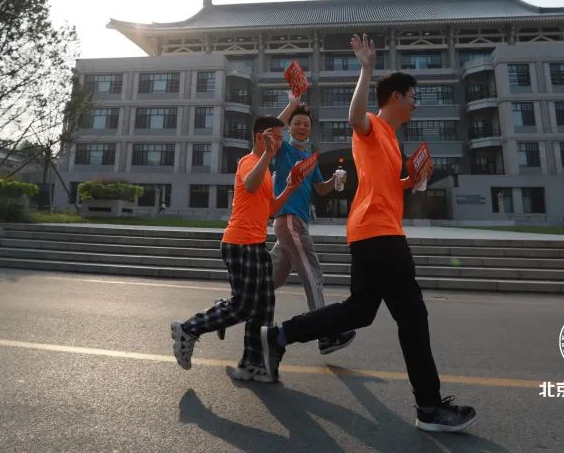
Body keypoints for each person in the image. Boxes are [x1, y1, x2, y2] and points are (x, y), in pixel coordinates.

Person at [259, 34, 479, 433]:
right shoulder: (372, 126)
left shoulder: (392, 141)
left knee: (359, 311)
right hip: (380, 235)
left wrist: (413, 180)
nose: (415, 104)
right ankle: (429, 408)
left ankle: (279, 336)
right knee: (412, 316)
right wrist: (366, 69)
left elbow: (390, 185)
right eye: (412, 97)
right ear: (394, 97)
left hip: (371, 233)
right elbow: (354, 116)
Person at [170, 116, 301, 382]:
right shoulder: (248, 162)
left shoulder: (266, 168)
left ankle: (251, 363)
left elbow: (271, 209)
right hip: (240, 243)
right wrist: (267, 154)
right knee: (243, 306)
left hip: (257, 244)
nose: (279, 143)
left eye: (280, 138)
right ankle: (189, 328)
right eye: (276, 137)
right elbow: (250, 185)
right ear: (260, 137)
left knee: (264, 307)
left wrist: (290, 186)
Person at [268, 92, 356, 354]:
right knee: (313, 275)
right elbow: (272, 130)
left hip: (293, 224)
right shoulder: (283, 150)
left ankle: (231, 307)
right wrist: (293, 104)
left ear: (311, 129)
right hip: (290, 220)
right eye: (297, 123)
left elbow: (321, 188)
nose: (301, 127)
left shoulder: (310, 159)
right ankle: (325, 335)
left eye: (306, 124)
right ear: (289, 127)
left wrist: (335, 180)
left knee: (269, 280)